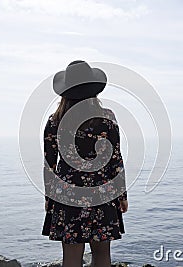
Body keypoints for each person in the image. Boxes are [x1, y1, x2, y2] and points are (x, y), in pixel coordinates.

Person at [41, 60, 128, 267]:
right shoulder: (106, 118)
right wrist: (122, 195)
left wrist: (48, 196)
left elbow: (49, 164)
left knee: (71, 256)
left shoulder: (55, 122)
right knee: (102, 254)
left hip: (67, 194)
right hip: (102, 191)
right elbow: (115, 161)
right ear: (93, 90)